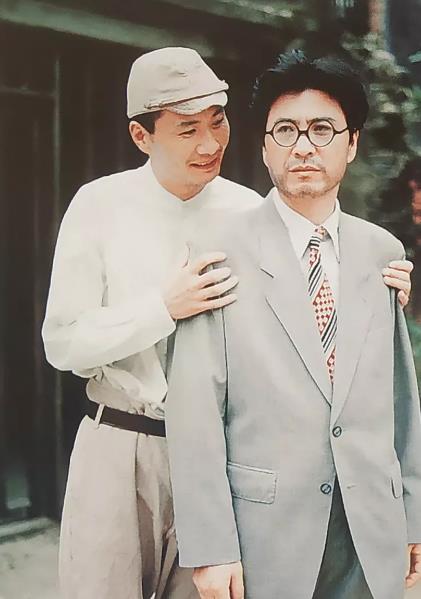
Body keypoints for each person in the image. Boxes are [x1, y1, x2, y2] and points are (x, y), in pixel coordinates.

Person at [165, 51, 421, 599]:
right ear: (264, 147)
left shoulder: (382, 251)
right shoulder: (219, 253)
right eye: (285, 130)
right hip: (267, 536)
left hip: (370, 529)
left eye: (322, 130)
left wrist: (413, 516)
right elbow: (194, 412)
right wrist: (211, 548)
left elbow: (401, 399)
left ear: (352, 144)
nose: (303, 146)